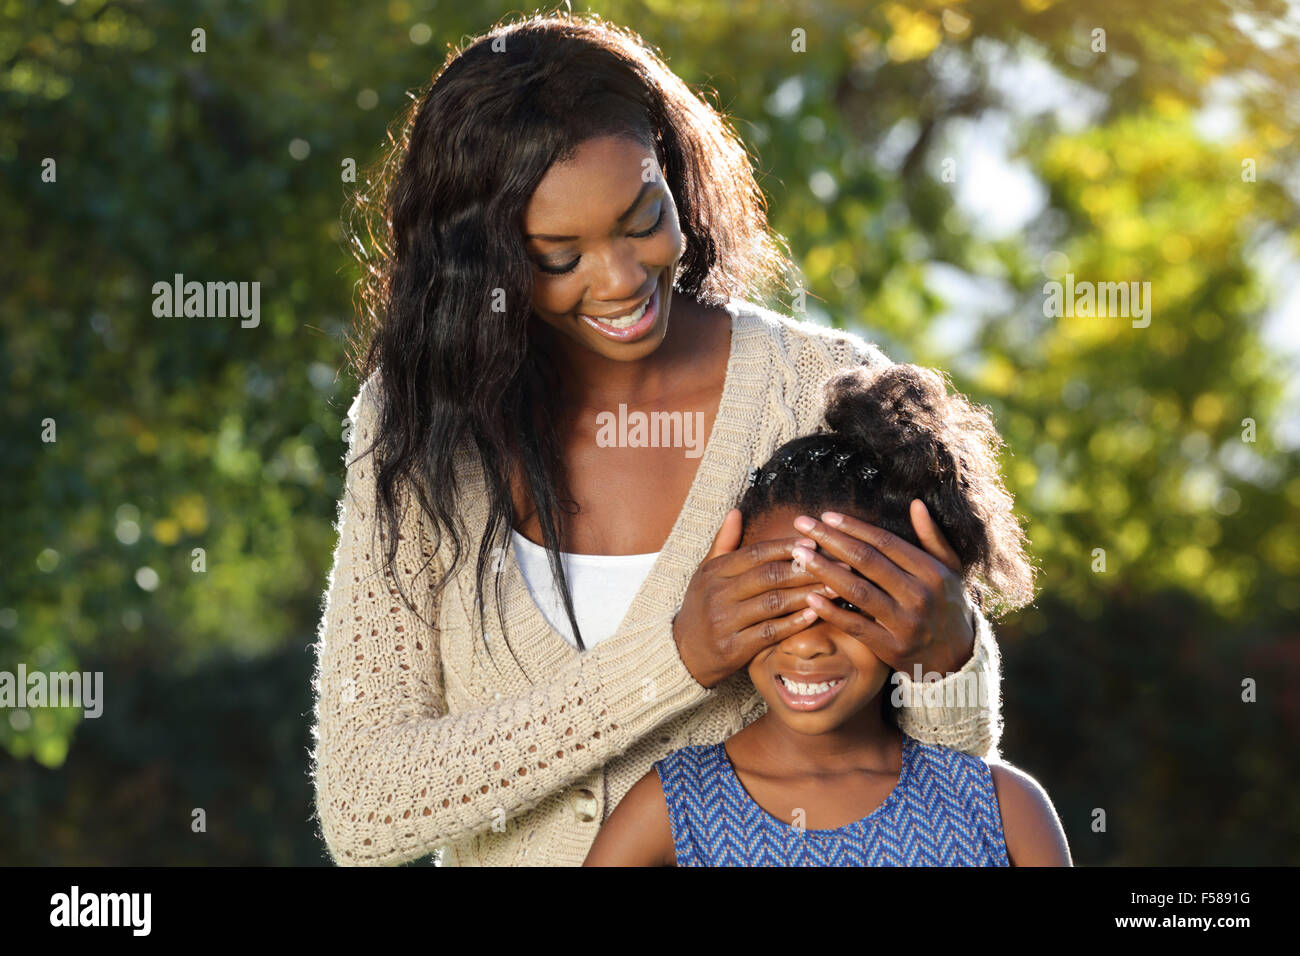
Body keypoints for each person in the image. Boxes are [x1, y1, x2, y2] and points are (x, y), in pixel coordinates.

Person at [310, 10, 1006, 867]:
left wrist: (950, 659)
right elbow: (364, 808)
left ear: (675, 177)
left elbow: (937, 799)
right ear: (481, 263)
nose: (622, 278)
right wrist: (672, 662)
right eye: (558, 256)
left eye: (643, 219)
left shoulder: (814, 394)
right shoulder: (419, 420)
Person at [584, 363, 1070, 866]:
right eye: (778, 601)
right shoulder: (672, 807)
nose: (807, 643)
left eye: (847, 603)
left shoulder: (1002, 807)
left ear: (913, 608)